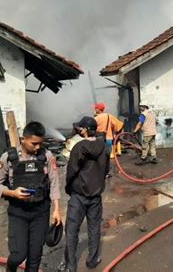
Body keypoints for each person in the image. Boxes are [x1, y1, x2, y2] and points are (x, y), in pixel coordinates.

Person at [0, 121, 62, 272]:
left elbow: (54, 183)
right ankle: (10, 268)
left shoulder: (46, 156)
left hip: (40, 212)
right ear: (23, 140)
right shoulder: (9, 158)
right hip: (18, 213)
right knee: (18, 255)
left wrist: (57, 209)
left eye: (40, 144)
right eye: (34, 143)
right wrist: (12, 193)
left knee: (35, 258)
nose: (37, 147)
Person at [62, 116, 109, 271]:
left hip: (79, 196)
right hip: (95, 196)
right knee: (94, 228)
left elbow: (71, 171)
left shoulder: (79, 147)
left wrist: (69, 188)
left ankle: (70, 266)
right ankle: (92, 260)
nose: (79, 130)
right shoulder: (103, 146)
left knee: (71, 230)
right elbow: (106, 170)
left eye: (81, 128)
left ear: (87, 129)